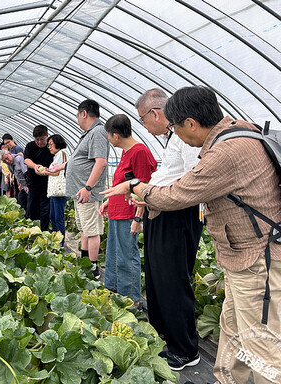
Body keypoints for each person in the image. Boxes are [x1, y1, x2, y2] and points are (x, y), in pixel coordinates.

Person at [102, 86, 281, 384]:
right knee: (233, 332)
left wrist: (136, 187)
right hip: (242, 260)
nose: (174, 134)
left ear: (191, 123)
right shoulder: (238, 131)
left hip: (257, 263)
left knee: (260, 347)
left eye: (174, 127)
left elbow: (178, 193)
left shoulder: (225, 154)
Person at [134, 88, 203, 370]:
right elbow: (168, 174)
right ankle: (169, 337)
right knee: (160, 278)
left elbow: (191, 181)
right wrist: (146, 193)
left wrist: (146, 191)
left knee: (173, 280)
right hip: (161, 210)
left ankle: (186, 349)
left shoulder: (187, 138)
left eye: (143, 119)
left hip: (178, 214)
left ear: (155, 113)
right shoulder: (173, 138)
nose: (144, 126)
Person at [99, 114, 156, 305]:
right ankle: (114, 292)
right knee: (114, 254)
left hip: (129, 213)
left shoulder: (139, 152)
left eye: (108, 135)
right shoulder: (126, 152)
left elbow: (144, 189)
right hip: (117, 211)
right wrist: (110, 201)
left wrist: (138, 219)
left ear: (115, 135)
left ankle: (131, 300)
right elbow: (122, 184)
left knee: (126, 256)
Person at [50, 100, 109, 278]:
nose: (77, 119)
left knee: (91, 231)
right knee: (84, 229)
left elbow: (101, 162)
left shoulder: (98, 132)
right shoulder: (88, 134)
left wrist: (88, 187)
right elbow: (80, 160)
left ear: (84, 113)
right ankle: (84, 263)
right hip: (80, 193)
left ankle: (93, 269)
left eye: (77, 115)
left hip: (87, 193)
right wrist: (59, 168)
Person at [24, 124, 54, 231]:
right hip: (33, 184)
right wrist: (35, 166)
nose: (39, 142)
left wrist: (49, 171)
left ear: (47, 136)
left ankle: (44, 231)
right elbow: (26, 160)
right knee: (32, 208)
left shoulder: (51, 148)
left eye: (42, 139)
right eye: (37, 140)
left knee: (45, 209)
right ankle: (33, 230)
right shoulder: (30, 146)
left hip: (47, 185)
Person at [45, 134, 69, 247]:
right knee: (53, 216)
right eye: (48, 145)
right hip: (54, 191)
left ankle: (60, 242)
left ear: (57, 143)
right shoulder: (58, 155)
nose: (49, 147)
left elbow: (57, 172)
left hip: (59, 191)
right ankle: (56, 240)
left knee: (58, 217)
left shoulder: (61, 154)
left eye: (51, 144)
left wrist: (45, 172)